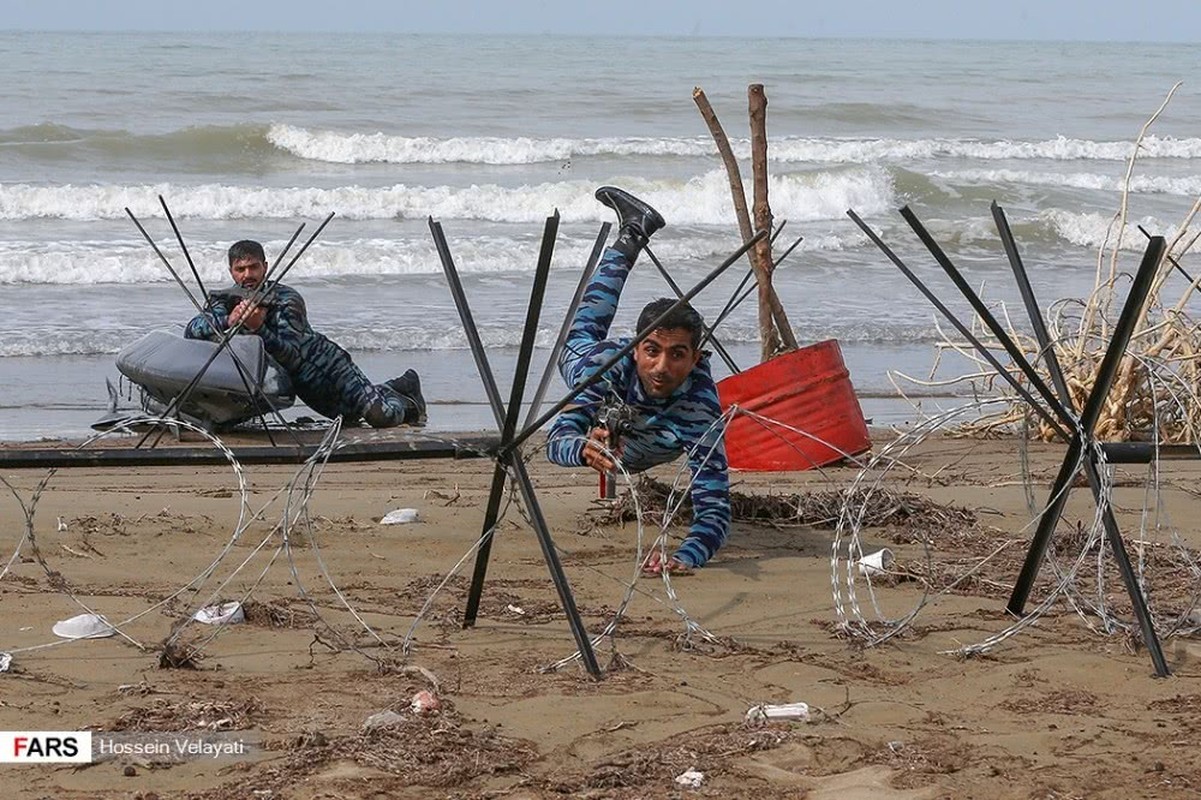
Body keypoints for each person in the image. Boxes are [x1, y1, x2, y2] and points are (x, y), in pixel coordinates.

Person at [546, 187, 730, 576]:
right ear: (635, 349)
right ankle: (632, 233)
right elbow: (555, 437)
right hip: (606, 387)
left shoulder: (700, 406)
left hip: (652, 444)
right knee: (578, 342)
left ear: (695, 358)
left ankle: (634, 230)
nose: (661, 367)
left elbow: (714, 504)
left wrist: (688, 555)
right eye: (652, 351)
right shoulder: (609, 367)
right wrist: (581, 449)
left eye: (677, 354)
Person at [185, 240, 425, 428]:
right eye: (240, 269)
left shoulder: (287, 299)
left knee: (381, 417)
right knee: (348, 416)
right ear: (231, 272)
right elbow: (193, 330)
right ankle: (387, 388)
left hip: (329, 368)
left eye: (253, 267)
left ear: (265, 267)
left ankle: (406, 397)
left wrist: (259, 327)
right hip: (303, 387)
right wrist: (230, 320)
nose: (247, 275)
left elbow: (293, 356)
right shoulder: (223, 300)